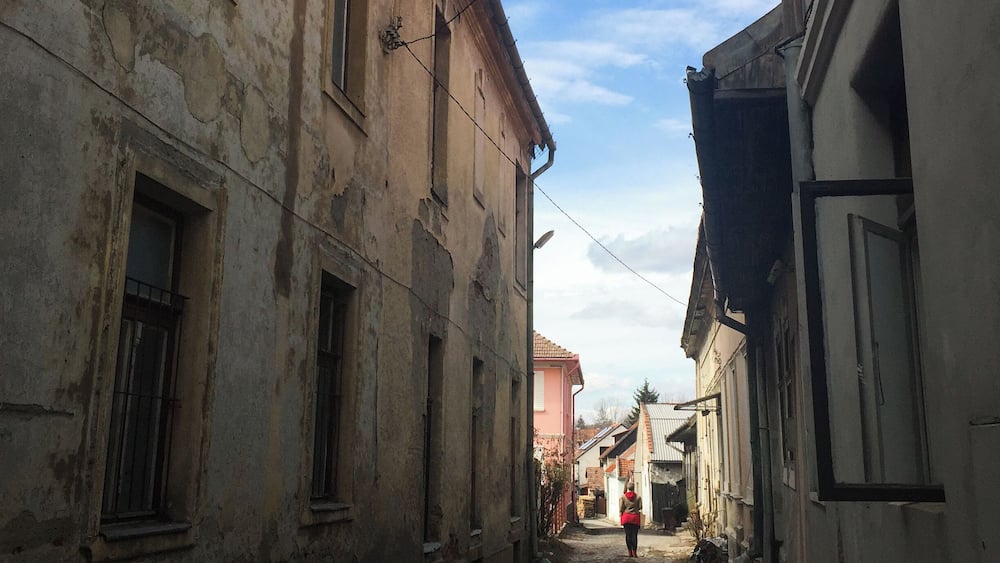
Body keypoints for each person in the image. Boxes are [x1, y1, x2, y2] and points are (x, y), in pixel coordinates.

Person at [620, 482, 642, 557]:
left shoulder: (623, 497)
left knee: (628, 535)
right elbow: (640, 507)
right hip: (635, 518)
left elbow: (621, 508)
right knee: (634, 536)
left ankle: (629, 552)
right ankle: (635, 552)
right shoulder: (638, 497)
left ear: (628, 488)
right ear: (634, 487)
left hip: (626, 518)